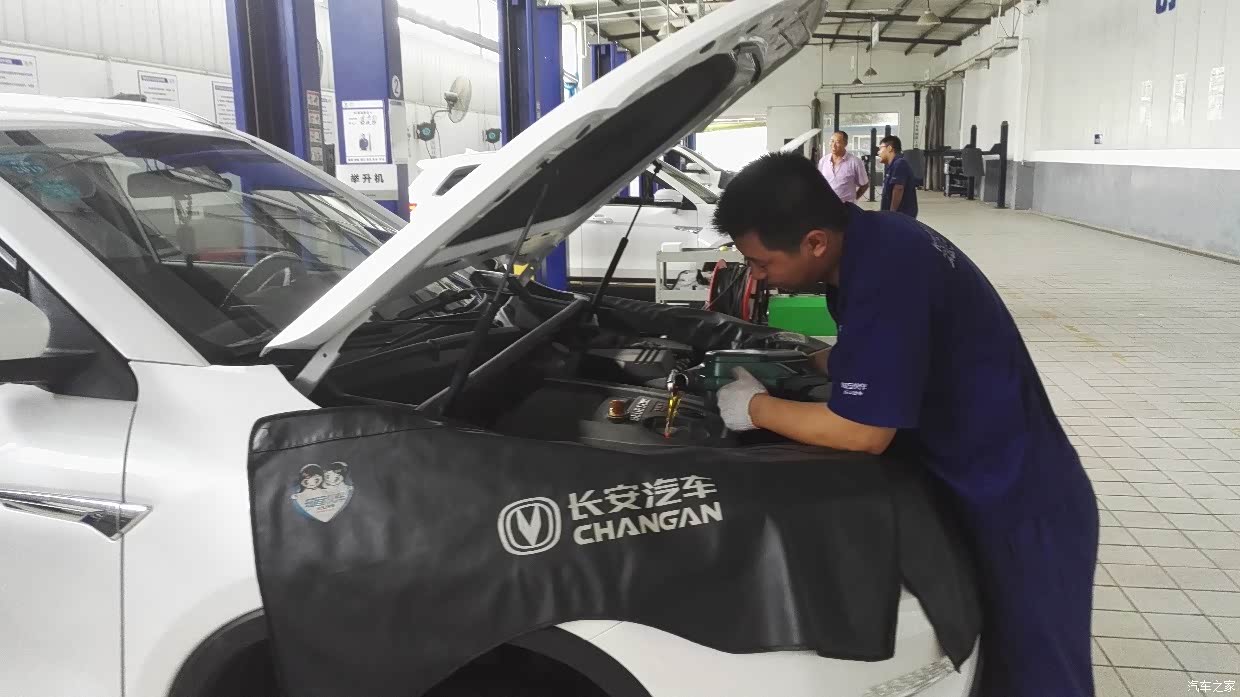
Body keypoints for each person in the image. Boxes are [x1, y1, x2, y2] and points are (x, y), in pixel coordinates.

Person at [711, 151, 1099, 697]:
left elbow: (863, 432)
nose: (756, 276)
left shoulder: (886, 271)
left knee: (1038, 678)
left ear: (815, 242)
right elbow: (886, 349)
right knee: (992, 673)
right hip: (977, 484)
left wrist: (754, 408)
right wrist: (805, 361)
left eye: (760, 263)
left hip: (1020, 505)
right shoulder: (874, 243)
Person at [817, 130, 868, 204]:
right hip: (827, 205)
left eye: (837, 142)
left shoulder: (855, 162)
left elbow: (864, 185)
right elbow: (819, 183)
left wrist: (853, 200)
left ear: (845, 144)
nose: (833, 145)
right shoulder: (823, 161)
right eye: (832, 141)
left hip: (846, 207)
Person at [878, 135, 918, 218]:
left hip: (901, 216)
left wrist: (892, 214)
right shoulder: (892, 166)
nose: (878, 152)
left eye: (880, 148)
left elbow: (898, 188)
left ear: (889, 148)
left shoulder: (899, 163)